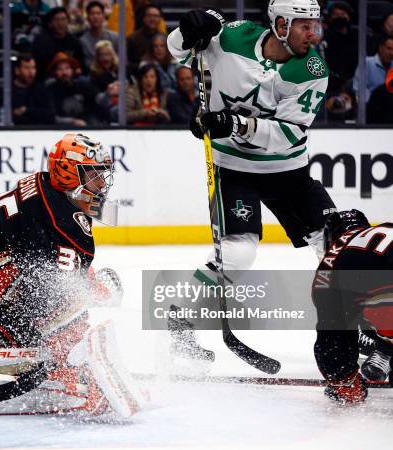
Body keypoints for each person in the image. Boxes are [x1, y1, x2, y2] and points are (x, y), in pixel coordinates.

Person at [0, 133, 144, 419]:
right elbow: (57, 294)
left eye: (101, 175)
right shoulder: (63, 221)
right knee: (38, 352)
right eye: (93, 175)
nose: (100, 184)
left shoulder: (45, 192)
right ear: (67, 173)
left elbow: (46, 273)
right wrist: (90, 300)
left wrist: (83, 290)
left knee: (44, 321)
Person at [166, 2, 336, 360]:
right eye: (304, 25)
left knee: (334, 242)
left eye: (314, 25)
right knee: (237, 253)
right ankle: (182, 317)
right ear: (279, 24)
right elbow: (178, 53)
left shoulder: (312, 68)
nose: (313, 33)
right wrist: (187, 30)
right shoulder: (231, 39)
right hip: (233, 168)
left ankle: (369, 332)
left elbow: (291, 133)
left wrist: (236, 124)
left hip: (288, 172)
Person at [312, 210, 393, 403]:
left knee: (362, 308)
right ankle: (385, 347)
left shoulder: (330, 261)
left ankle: (385, 349)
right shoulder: (385, 228)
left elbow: (332, 330)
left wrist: (342, 379)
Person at [32, 6, 86, 80]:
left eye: (63, 19)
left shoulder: (74, 41)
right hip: (48, 78)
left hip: (71, 77)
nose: (60, 23)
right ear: (50, 23)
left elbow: (81, 63)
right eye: (57, 20)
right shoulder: (41, 41)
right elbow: (40, 67)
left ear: (68, 21)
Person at [46, 51, 98, 126]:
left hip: (86, 127)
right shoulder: (50, 89)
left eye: (67, 68)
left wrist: (107, 94)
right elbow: (52, 116)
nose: (64, 72)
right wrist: (72, 121)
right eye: (59, 69)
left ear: (72, 70)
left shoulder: (83, 86)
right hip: (60, 129)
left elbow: (97, 100)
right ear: (54, 72)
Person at [320, 1, 358, 94]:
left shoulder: (357, 35)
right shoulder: (324, 37)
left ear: (349, 16)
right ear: (329, 17)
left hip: (354, 81)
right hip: (331, 83)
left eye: (342, 14)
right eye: (335, 15)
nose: (339, 18)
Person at [12, 53, 55, 125]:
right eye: (26, 68)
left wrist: (26, 111)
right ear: (17, 70)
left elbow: (50, 115)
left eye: (33, 68)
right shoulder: (7, 90)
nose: (31, 72)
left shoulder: (41, 89)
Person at [352, 35, 393, 103]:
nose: (392, 53)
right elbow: (358, 88)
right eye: (389, 48)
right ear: (380, 48)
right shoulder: (367, 62)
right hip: (370, 106)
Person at [80, 1, 118, 68]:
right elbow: (86, 63)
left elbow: (122, 59)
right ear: (87, 17)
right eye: (92, 14)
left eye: (98, 13)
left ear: (103, 16)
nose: (95, 16)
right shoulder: (83, 41)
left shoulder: (115, 37)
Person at [126, 5, 164, 71]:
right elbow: (126, 62)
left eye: (156, 16)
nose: (152, 19)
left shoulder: (165, 38)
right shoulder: (132, 38)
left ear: (160, 19)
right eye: (149, 16)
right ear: (143, 18)